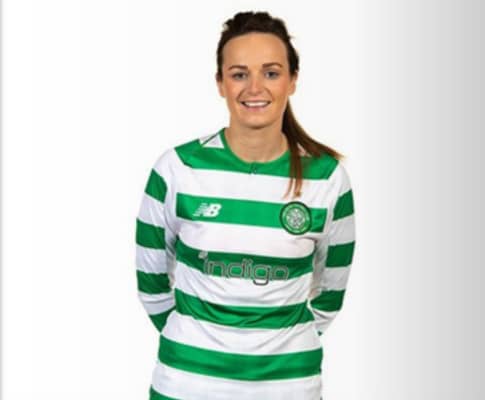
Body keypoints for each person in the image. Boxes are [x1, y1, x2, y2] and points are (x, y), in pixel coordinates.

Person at [135, 10, 356, 400]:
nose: (255, 87)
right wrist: (197, 340)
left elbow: (329, 295)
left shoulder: (327, 179)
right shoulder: (176, 169)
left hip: (289, 386)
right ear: (220, 83)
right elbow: (151, 286)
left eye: (271, 73)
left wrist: (281, 343)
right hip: (187, 384)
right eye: (239, 74)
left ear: (293, 80)